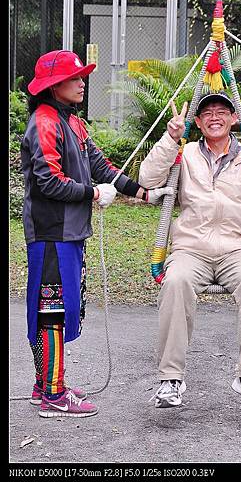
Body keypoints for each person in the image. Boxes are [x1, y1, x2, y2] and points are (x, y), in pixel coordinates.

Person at [20, 49, 172, 418]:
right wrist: (92, 192)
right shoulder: (44, 122)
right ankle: (55, 394)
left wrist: (143, 193)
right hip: (51, 232)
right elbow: (48, 182)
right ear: (55, 86)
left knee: (60, 307)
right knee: (52, 311)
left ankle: (46, 386)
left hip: (70, 232)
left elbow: (100, 165)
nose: (82, 82)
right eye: (75, 78)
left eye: (81, 77)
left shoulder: (72, 122)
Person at [139, 90, 241, 408]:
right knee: (175, 282)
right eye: (207, 113)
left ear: (235, 119)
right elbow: (148, 179)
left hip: (237, 247)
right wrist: (170, 139)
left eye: (222, 111)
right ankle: (170, 378)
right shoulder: (186, 153)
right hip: (190, 247)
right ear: (197, 121)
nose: (215, 117)